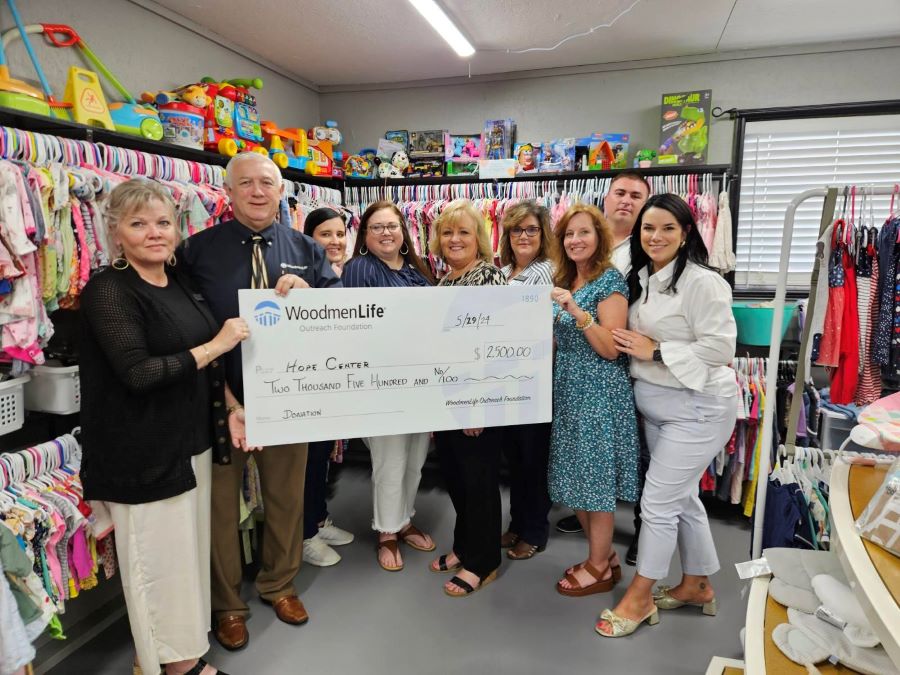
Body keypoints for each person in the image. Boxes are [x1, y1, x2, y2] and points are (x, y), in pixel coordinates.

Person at [80, 179, 245, 675]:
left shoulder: (176, 283)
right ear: (116, 233)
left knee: (185, 558)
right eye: (138, 223)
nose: (153, 233)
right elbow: (138, 373)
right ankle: (175, 667)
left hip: (189, 441)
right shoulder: (107, 290)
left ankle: (177, 652)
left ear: (177, 229)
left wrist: (232, 405)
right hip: (142, 451)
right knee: (157, 565)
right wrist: (218, 344)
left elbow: (202, 367)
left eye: (162, 222)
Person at [179, 152, 340, 651]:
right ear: (227, 192)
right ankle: (228, 605)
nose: (256, 191)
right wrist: (227, 401)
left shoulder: (306, 248)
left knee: (288, 499)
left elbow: (337, 315)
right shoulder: (195, 251)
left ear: (280, 191)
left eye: (266, 183)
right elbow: (184, 323)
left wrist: (310, 293)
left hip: (289, 396)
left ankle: (279, 584)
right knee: (220, 508)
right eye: (244, 183)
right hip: (219, 401)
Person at [598, 194, 738, 637]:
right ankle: (696, 585)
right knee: (682, 499)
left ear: (686, 234)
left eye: (667, 229)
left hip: (698, 409)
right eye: (648, 229)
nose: (655, 237)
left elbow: (720, 349)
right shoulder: (640, 278)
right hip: (656, 407)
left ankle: (639, 598)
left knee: (657, 504)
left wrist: (655, 350)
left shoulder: (703, 282)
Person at [555, 171, 650, 567]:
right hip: (568, 388)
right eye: (569, 234)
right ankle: (605, 558)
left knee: (594, 484)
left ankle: (597, 567)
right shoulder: (568, 278)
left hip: (597, 390)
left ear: (599, 239)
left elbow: (612, 348)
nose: (576, 240)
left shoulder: (609, 281)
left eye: (584, 233)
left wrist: (576, 312)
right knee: (575, 479)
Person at [341, 200, 436, 571]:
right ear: (365, 234)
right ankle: (386, 532)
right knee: (389, 460)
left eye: (392, 226)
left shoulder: (416, 269)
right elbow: (351, 331)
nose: (386, 232)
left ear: (403, 231)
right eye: (377, 226)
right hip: (381, 385)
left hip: (420, 383)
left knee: (416, 457)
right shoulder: (358, 269)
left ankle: (404, 518)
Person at [427, 199, 507, 596]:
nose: (454, 239)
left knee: (478, 482)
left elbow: (490, 347)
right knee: (457, 478)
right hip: (448, 396)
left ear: (479, 238)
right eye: (447, 232)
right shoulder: (445, 281)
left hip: (476, 399)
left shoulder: (488, 277)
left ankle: (483, 559)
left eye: (463, 231)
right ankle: (464, 545)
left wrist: (477, 404)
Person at [497, 202, 555, 561]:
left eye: (531, 229)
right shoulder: (501, 271)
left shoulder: (548, 270)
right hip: (504, 380)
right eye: (517, 230)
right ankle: (518, 523)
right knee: (515, 459)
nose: (523, 236)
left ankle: (534, 530)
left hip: (534, 377)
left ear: (543, 234)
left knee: (533, 460)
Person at [300, 207, 354, 567]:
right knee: (306, 460)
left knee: (320, 457)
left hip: (335, 379)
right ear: (309, 239)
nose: (334, 241)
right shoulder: (302, 276)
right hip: (306, 380)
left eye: (339, 234)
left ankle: (319, 519)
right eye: (325, 234)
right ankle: (304, 534)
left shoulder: (346, 273)